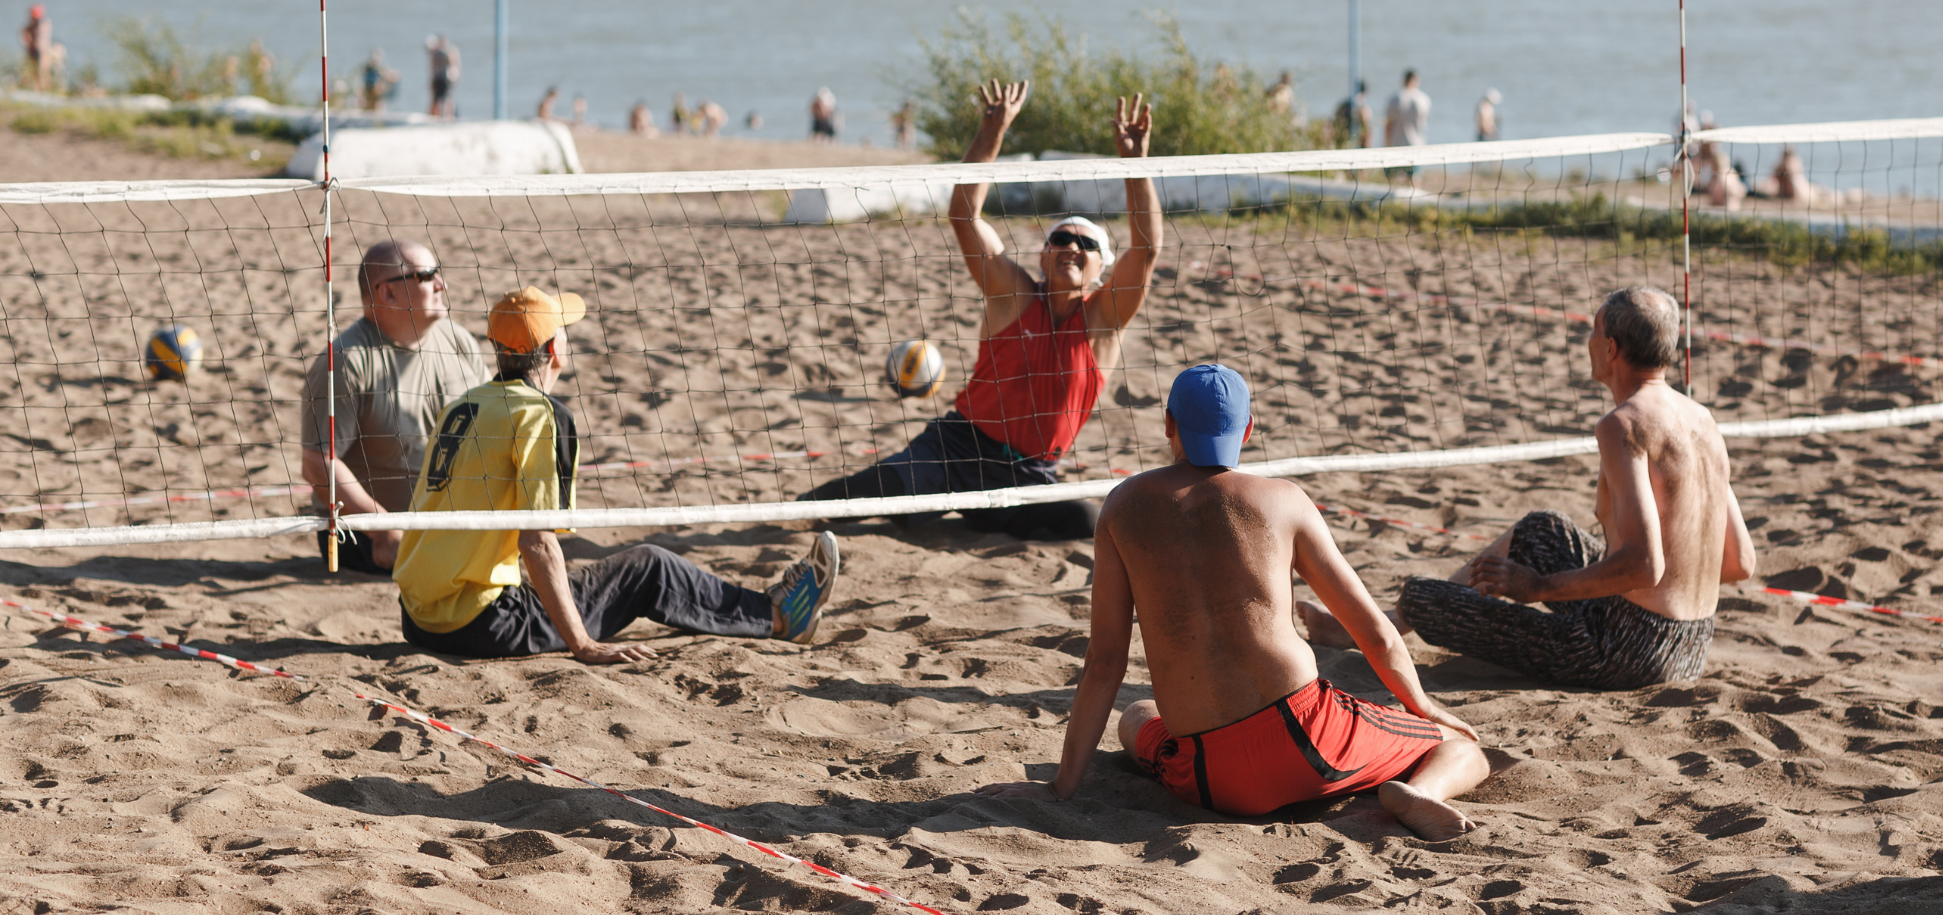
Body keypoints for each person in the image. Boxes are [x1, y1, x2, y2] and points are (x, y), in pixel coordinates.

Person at [975, 364, 1489, 837]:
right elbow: (1375, 632)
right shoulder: (1283, 499)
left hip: (1208, 778)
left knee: (1137, 717)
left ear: (1169, 425)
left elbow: (1104, 662)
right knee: (1463, 748)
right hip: (1308, 743)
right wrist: (1424, 708)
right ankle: (1420, 792)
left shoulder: (1122, 506)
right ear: (1246, 430)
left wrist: (1062, 785)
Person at [1300, 286, 1756, 691]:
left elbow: (1644, 565)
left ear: (1611, 348)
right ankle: (1375, 628)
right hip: (1693, 645)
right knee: (1543, 530)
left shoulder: (1624, 424)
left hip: (1628, 651)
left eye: (1594, 333)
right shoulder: (1702, 420)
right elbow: (1740, 563)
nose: (1589, 342)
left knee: (1422, 597)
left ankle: (1373, 629)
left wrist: (1538, 585)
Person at [394, 286, 842, 660]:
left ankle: (767, 609)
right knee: (650, 567)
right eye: (563, 332)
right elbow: (537, 541)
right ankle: (780, 616)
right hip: (479, 624)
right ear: (554, 351)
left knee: (597, 575)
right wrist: (583, 644)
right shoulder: (539, 413)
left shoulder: (466, 403)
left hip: (417, 618)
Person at [801, 80, 1161, 540]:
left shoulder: (1103, 321)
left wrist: (1137, 166)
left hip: (1028, 474)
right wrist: (992, 132)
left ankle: (971, 514)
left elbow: (1146, 249)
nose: (1072, 247)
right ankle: (802, 511)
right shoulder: (1013, 294)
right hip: (956, 449)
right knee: (861, 496)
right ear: (1043, 256)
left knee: (1088, 522)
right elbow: (964, 216)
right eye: (1061, 239)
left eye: (1086, 244)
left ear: (1100, 267)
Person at [299, 239, 491, 575]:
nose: (441, 284)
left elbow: (492, 426)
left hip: (454, 523)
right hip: (367, 536)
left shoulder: (458, 340)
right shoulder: (345, 361)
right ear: (387, 293)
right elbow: (318, 465)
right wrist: (382, 527)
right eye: (426, 276)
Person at [1383, 69, 1431, 182]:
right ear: (1416, 81)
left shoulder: (1395, 98)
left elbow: (1389, 124)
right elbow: (1425, 123)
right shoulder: (1423, 99)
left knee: (1392, 179)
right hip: (1416, 144)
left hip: (1397, 144)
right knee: (1414, 179)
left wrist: (1386, 142)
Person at [20, 3, 63, 93]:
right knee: (32, 72)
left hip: (43, 52)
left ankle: (45, 89)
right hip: (32, 52)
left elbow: (43, 36)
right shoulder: (29, 26)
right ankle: (36, 89)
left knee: (43, 72)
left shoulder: (44, 24)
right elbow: (23, 35)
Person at [426, 35, 460, 119]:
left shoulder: (447, 52)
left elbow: (452, 64)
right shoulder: (441, 52)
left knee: (445, 97)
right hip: (441, 78)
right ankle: (440, 115)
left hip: (444, 78)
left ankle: (447, 115)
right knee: (439, 97)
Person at [1333, 80, 1372, 148]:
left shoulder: (1343, 106)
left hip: (1344, 145)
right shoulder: (1364, 110)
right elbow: (1367, 134)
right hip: (1352, 145)